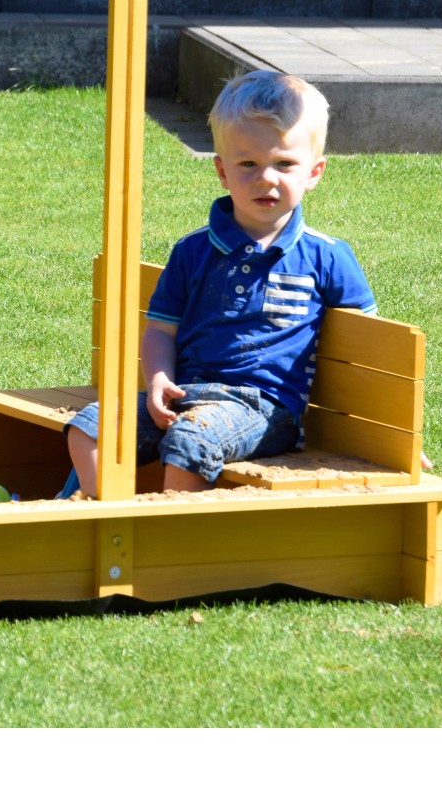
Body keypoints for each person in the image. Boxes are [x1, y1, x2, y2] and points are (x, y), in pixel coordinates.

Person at [64, 70, 376, 498]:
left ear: (314, 172)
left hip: (263, 408)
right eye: (248, 164)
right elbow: (160, 329)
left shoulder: (326, 256)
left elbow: (369, 353)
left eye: (284, 163)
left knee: (190, 438)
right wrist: (158, 381)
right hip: (184, 394)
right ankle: (103, 517)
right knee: (89, 426)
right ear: (222, 171)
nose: (266, 178)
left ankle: (172, 529)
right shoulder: (193, 250)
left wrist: (386, 441)